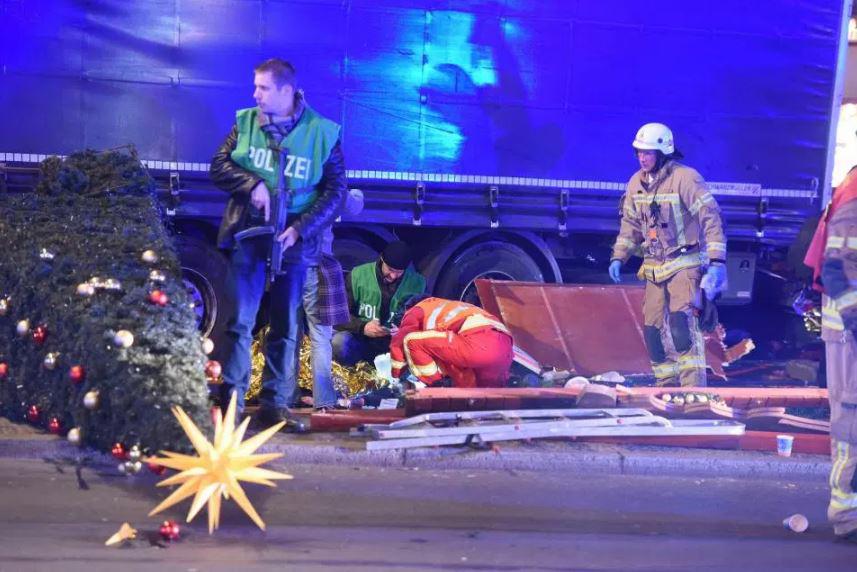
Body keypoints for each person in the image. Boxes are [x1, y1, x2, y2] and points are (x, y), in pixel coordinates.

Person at [210, 58, 346, 428]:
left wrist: (301, 228)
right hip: (249, 235)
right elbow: (218, 166)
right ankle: (232, 406)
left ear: (286, 91)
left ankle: (275, 407)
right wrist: (251, 185)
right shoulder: (246, 123)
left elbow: (336, 192)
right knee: (240, 323)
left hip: (294, 242)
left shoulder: (322, 132)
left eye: (263, 88)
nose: (255, 95)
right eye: (255, 87)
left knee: (286, 326)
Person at [608, 122, 727, 387]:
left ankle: (693, 390)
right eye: (639, 152)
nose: (642, 157)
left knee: (681, 326)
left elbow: (710, 218)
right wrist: (619, 256)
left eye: (648, 152)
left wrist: (717, 261)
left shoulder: (685, 178)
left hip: (684, 264)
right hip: (653, 267)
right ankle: (667, 386)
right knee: (652, 331)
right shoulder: (635, 183)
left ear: (663, 152)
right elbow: (630, 225)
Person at [804, 169, 857, 543]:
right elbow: (838, 269)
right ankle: (848, 514)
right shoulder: (855, 199)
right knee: (852, 422)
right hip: (850, 330)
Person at [332, 241, 426, 365]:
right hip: (361, 340)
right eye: (390, 269)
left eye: (399, 272)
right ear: (381, 259)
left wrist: (403, 330)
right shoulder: (358, 275)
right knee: (339, 342)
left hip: (395, 346)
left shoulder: (417, 283)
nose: (393, 276)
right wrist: (363, 327)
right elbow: (337, 316)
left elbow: (424, 322)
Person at [389, 295, 514, 388]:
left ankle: (437, 388)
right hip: (505, 349)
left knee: (411, 341)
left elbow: (399, 342)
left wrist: (396, 376)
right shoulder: (451, 307)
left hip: (478, 342)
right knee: (480, 398)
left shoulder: (418, 308)